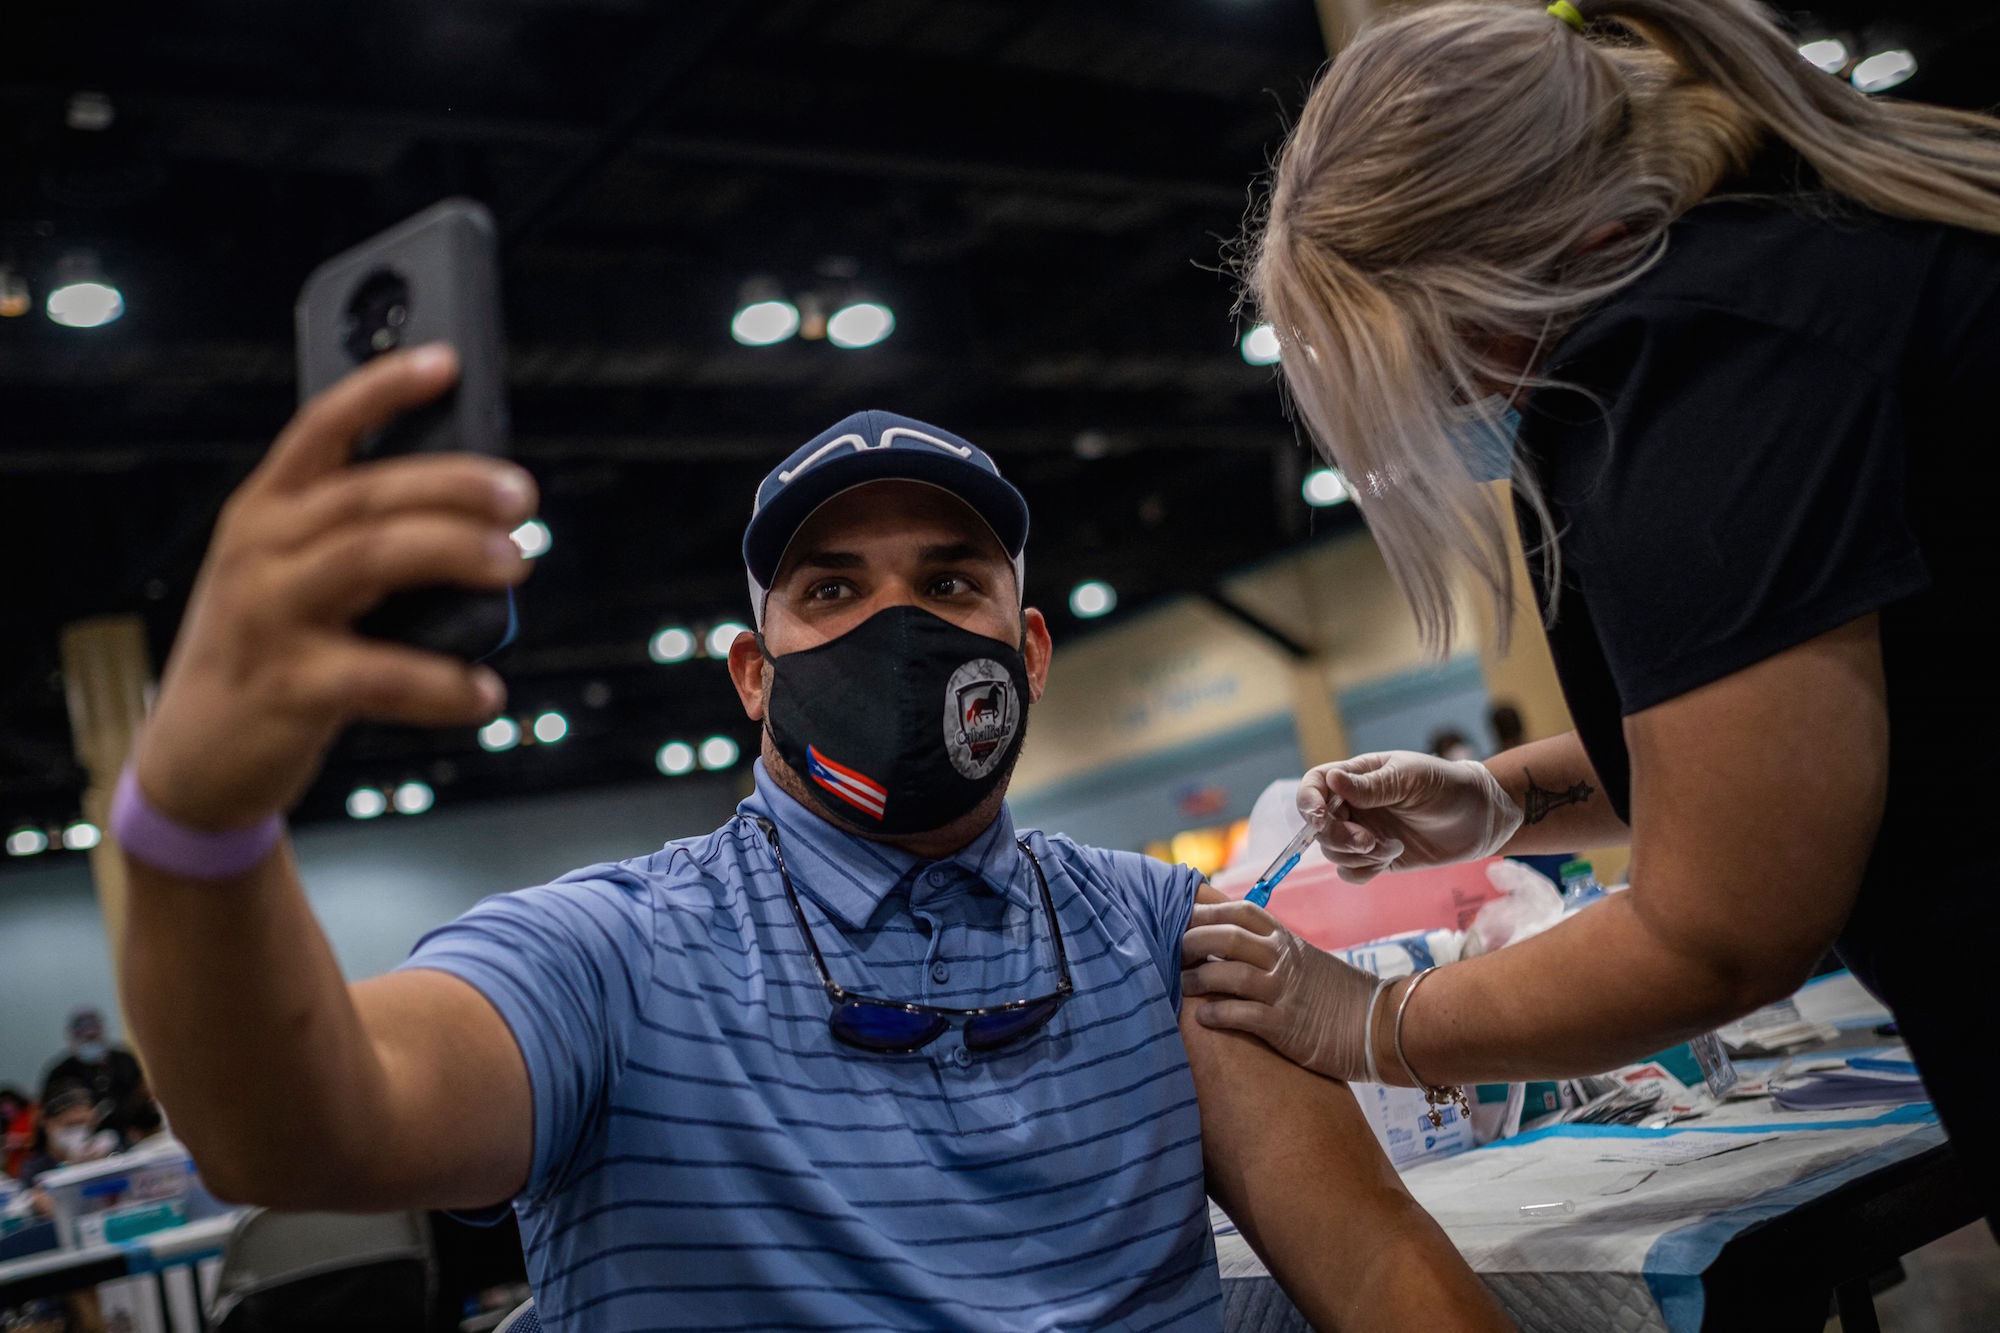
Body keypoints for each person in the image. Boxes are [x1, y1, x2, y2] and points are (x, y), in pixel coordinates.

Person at [114, 369, 1502, 1331]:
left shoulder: (1163, 935)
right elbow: (295, 1126)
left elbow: (1378, 1264)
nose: (898, 627)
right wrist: (196, 821)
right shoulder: (615, 953)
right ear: (753, 676)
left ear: (1026, 652)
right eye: (831, 590)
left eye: (951, 582)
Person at [1188, 0, 2000, 1213]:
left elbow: (1719, 930)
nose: (1440, 407)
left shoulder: (1699, 376)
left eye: (1423, 362)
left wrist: (1369, 1017)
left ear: (1498, 282)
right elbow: (1795, 738)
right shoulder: (1807, 261)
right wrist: (1497, 802)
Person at [39, 1008, 147, 1145]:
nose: (91, 1042)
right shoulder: (60, 1072)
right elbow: (46, 1117)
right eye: (86, 1039)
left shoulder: (123, 1060)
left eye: (94, 1037)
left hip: (131, 1134)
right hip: (82, 1140)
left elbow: (142, 1090)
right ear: (73, 1039)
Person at [1, 1085, 35, 1180]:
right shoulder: (7, 1125)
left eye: (7, 1103)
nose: (5, 1108)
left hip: (31, 1168)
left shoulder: (32, 1113)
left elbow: (40, 1140)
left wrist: (21, 1141)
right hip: (15, 1174)